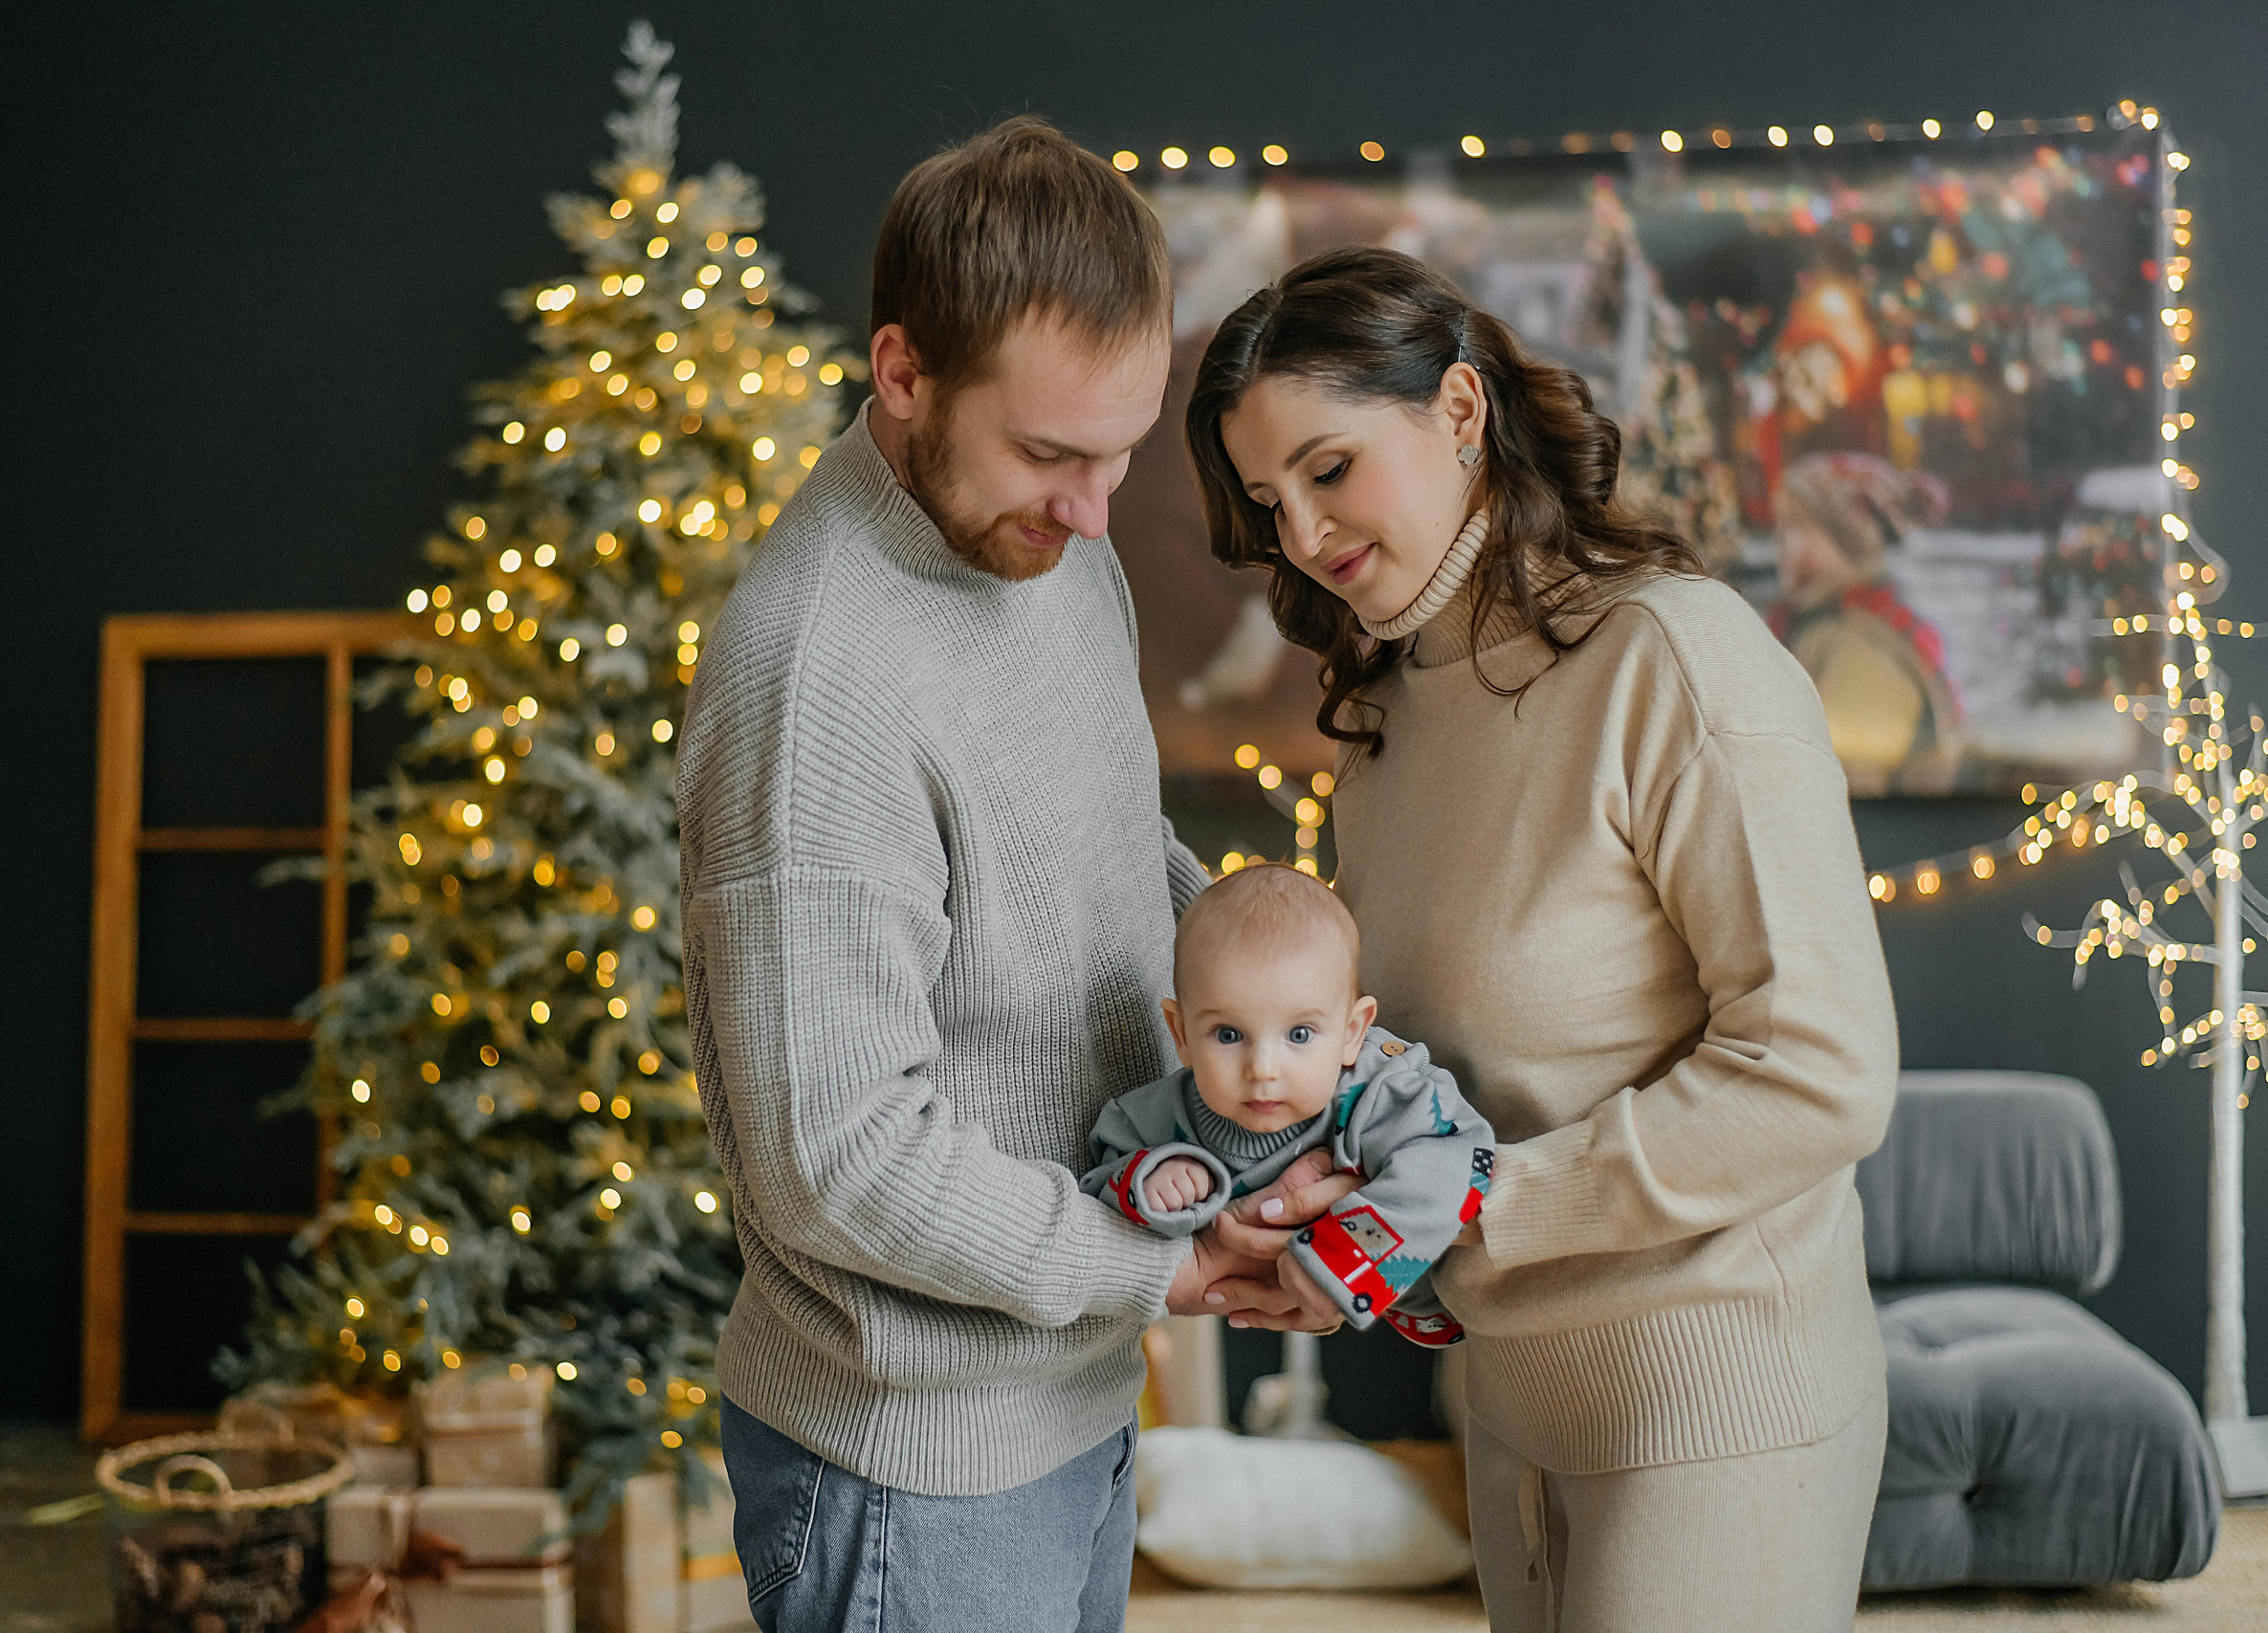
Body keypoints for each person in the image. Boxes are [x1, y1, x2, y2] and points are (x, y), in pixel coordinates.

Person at [675, 119, 1351, 1633]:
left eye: (1120, 451)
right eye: (1051, 452)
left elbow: (1115, 852)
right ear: (903, 372)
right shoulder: (819, 680)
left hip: (1071, 1394)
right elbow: (839, 1152)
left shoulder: (1051, 546)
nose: (1094, 508)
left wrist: (1281, 1035)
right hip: (912, 1473)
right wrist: (1157, 1265)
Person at [1186, 246, 1899, 1633]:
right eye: (1270, 501)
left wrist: (1467, 1210)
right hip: (1506, 1403)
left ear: (1460, 410)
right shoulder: (1386, 726)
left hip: (1718, 1396)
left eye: (1330, 469)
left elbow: (1822, 1067)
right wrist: (1321, 1207)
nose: (1303, 534)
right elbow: (1417, 1081)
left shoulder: (1674, 659)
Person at [1081, 862, 1495, 1347]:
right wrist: (1152, 1178)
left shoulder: (1380, 1088)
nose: (1263, 1068)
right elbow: (1097, 1178)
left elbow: (1462, 1157)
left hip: (1454, 1306)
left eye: (1299, 1034)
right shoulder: (1155, 1113)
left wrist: (1346, 1255)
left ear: (1352, 1033)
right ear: (1181, 1034)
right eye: (1229, 1034)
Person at [1767, 451, 1964, 794]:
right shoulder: (1820, 626)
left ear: (1849, 542)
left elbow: (1835, 794)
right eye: (1780, 525)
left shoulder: (1866, 650)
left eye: (1797, 525)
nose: (1780, 541)